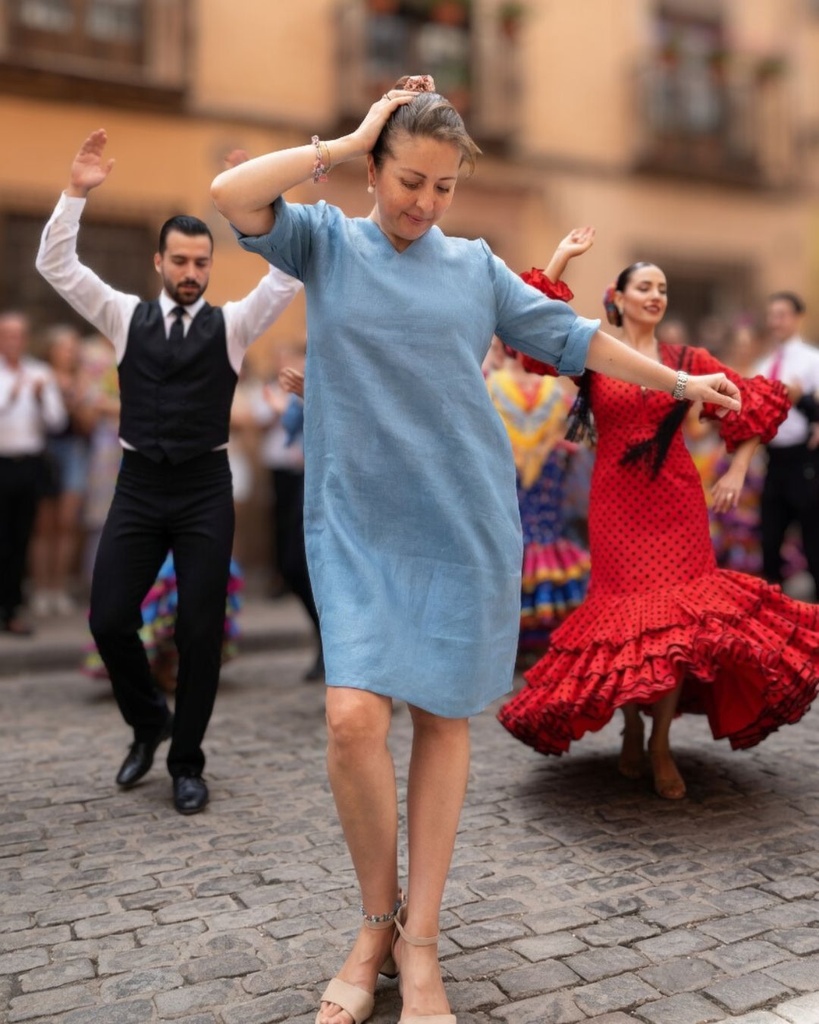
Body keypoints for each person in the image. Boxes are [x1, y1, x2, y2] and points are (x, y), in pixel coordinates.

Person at [209, 75, 739, 1024]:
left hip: (461, 519)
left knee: (441, 720)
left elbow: (576, 338)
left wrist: (675, 383)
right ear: (375, 168)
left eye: (443, 186)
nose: (424, 201)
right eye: (409, 178)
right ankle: (375, 920)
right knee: (350, 720)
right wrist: (353, 131)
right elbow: (232, 195)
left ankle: (419, 945)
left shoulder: (474, 266)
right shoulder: (325, 240)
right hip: (359, 522)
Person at [36, 129, 303, 815]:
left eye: (200, 262)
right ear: (159, 261)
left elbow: (286, 273)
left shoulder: (235, 325)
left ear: (210, 264)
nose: (190, 271)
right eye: (180, 260)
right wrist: (75, 193)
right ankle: (146, 719)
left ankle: (186, 759)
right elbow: (56, 266)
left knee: (199, 631)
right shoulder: (123, 316)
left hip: (204, 490)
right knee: (107, 618)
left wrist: (263, 198)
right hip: (139, 485)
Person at [498, 259, 819, 805]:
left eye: (663, 289)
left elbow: (754, 401)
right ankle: (631, 725)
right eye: (644, 287)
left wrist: (738, 468)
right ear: (618, 297)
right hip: (616, 505)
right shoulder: (596, 351)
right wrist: (556, 263)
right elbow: (530, 336)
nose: (655, 295)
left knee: (673, 627)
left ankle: (661, 742)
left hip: (676, 503)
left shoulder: (687, 360)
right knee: (626, 621)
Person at [251, 346, 323, 680]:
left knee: (301, 563)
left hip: (325, 481)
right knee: (294, 564)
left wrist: (303, 398)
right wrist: (287, 407)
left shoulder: (329, 368)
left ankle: (332, 644)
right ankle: (326, 639)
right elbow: (297, 423)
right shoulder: (305, 380)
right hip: (309, 478)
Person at [0, 311, 67, 635]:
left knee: (21, 537)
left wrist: (40, 398)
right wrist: (10, 397)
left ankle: (12, 608)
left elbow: (56, 422)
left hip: (29, 464)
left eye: (19, 335)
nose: (14, 341)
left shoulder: (40, 373)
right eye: (8, 334)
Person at [756, 292, 819, 601]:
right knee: (769, 540)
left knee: (813, 541)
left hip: (805, 460)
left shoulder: (812, 360)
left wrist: (803, 401)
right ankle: (775, 615)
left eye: (782, 314)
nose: (775, 322)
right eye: (772, 315)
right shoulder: (766, 364)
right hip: (773, 460)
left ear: (797, 317)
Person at [29, 324, 94, 616]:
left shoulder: (83, 381)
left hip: (75, 451)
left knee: (67, 522)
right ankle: (41, 588)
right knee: (44, 523)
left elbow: (89, 426)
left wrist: (76, 401)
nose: (71, 353)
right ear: (52, 351)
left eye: (74, 348)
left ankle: (59, 587)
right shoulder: (38, 377)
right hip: (45, 450)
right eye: (66, 347)